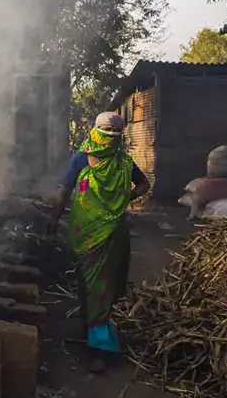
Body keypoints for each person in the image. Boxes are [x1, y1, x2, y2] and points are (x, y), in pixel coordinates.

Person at [47, 111, 150, 364]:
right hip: (91, 235)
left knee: (100, 288)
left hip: (107, 234)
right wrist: (53, 222)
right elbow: (145, 185)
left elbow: (63, 194)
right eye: (108, 131)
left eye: (115, 133)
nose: (111, 137)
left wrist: (52, 225)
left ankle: (98, 349)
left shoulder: (109, 161)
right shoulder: (98, 161)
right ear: (96, 131)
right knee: (90, 285)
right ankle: (92, 325)